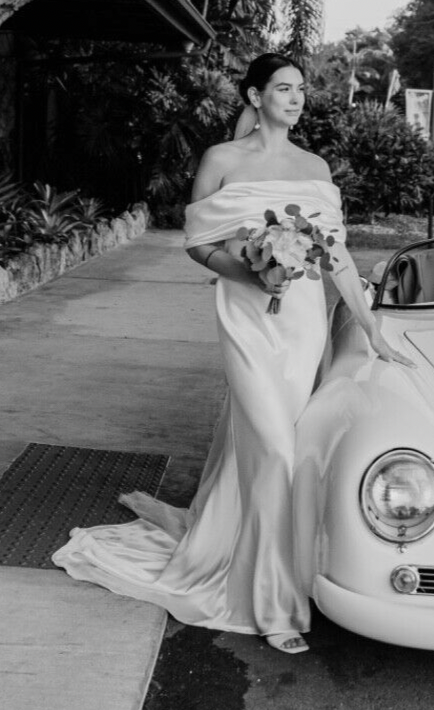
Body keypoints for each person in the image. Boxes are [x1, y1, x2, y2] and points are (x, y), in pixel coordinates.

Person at [53, 52, 414, 654]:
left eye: (301, 89)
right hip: (246, 320)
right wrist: (250, 272)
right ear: (253, 96)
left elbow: (338, 257)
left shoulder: (315, 166)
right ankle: (276, 606)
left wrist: (372, 326)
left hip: (301, 327)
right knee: (272, 447)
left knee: (287, 448)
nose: (296, 99)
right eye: (282, 88)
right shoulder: (222, 160)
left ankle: (278, 563)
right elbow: (198, 245)